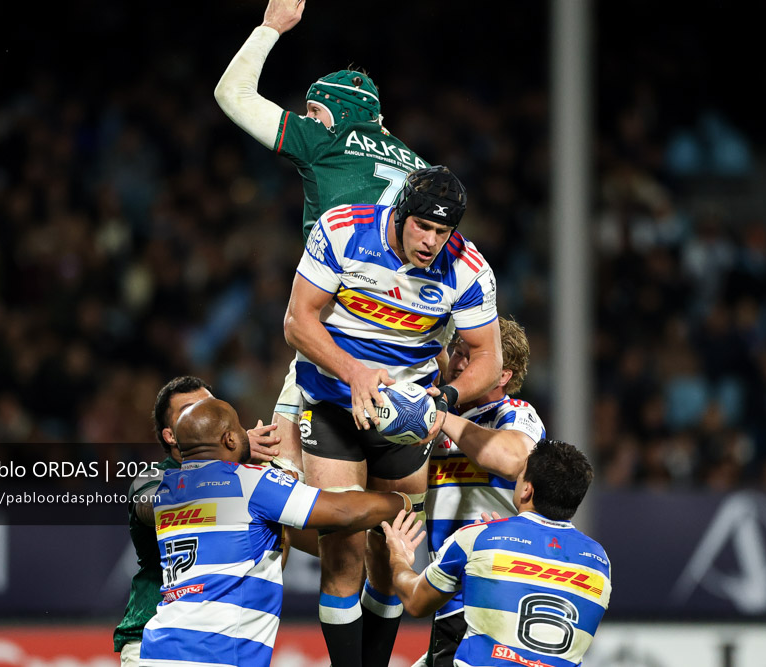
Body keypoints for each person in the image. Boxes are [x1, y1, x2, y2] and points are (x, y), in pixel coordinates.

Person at [284, 164, 502, 666]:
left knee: (389, 554)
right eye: (422, 226)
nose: (430, 242)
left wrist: (444, 398)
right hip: (333, 404)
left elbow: (489, 358)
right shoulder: (342, 230)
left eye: (442, 231)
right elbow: (297, 322)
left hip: (407, 419)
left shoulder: (468, 268)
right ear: (400, 213)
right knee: (343, 554)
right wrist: (353, 371)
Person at [214, 0, 431, 478]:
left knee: (284, 479)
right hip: (408, 338)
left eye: (314, 110)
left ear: (340, 111)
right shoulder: (420, 167)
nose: (307, 117)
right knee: (394, 516)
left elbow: (232, 93)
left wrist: (271, 27)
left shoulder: (326, 140)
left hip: (338, 325)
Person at [136, 398, 414, 667]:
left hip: (158, 647)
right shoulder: (250, 482)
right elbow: (345, 512)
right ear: (230, 439)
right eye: (241, 429)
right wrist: (406, 500)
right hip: (214, 653)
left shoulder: (167, 491)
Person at [382, 439, 611, 667]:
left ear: (526, 490)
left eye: (521, 475)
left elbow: (415, 601)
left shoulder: (478, 538)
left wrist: (398, 557)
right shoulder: (599, 561)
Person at [113, 376, 281, 667]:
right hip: (153, 638)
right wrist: (232, 456)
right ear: (170, 436)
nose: (201, 415)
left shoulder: (247, 476)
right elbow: (156, 507)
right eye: (189, 410)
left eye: (208, 406)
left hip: (220, 642)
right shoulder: (153, 479)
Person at [421, 318, 546, 667]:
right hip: (449, 593)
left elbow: (511, 459)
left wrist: (443, 417)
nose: (457, 363)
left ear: (502, 375)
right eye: (456, 352)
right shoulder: (433, 414)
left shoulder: (515, 414)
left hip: (496, 592)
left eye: (469, 356)